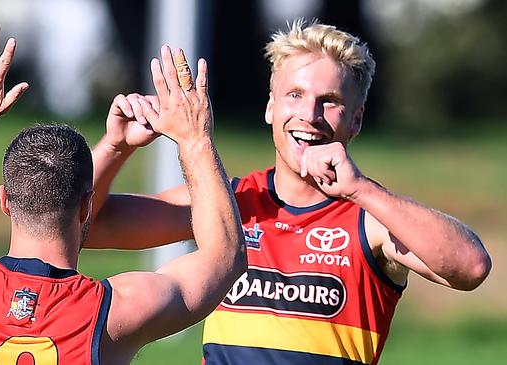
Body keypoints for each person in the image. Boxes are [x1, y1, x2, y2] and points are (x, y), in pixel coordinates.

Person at [86, 18, 492, 365]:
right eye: (295, 95)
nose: (309, 115)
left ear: (356, 120)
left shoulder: (370, 219)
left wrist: (362, 190)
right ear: (270, 106)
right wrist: (115, 147)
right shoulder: (226, 203)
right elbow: (88, 226)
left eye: (329, 101)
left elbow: (471, 267)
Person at [0, 24, 246, 365]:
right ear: (87, 205)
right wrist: (194, 138)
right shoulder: (116, 311)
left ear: (5, 200)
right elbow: (225, 255)